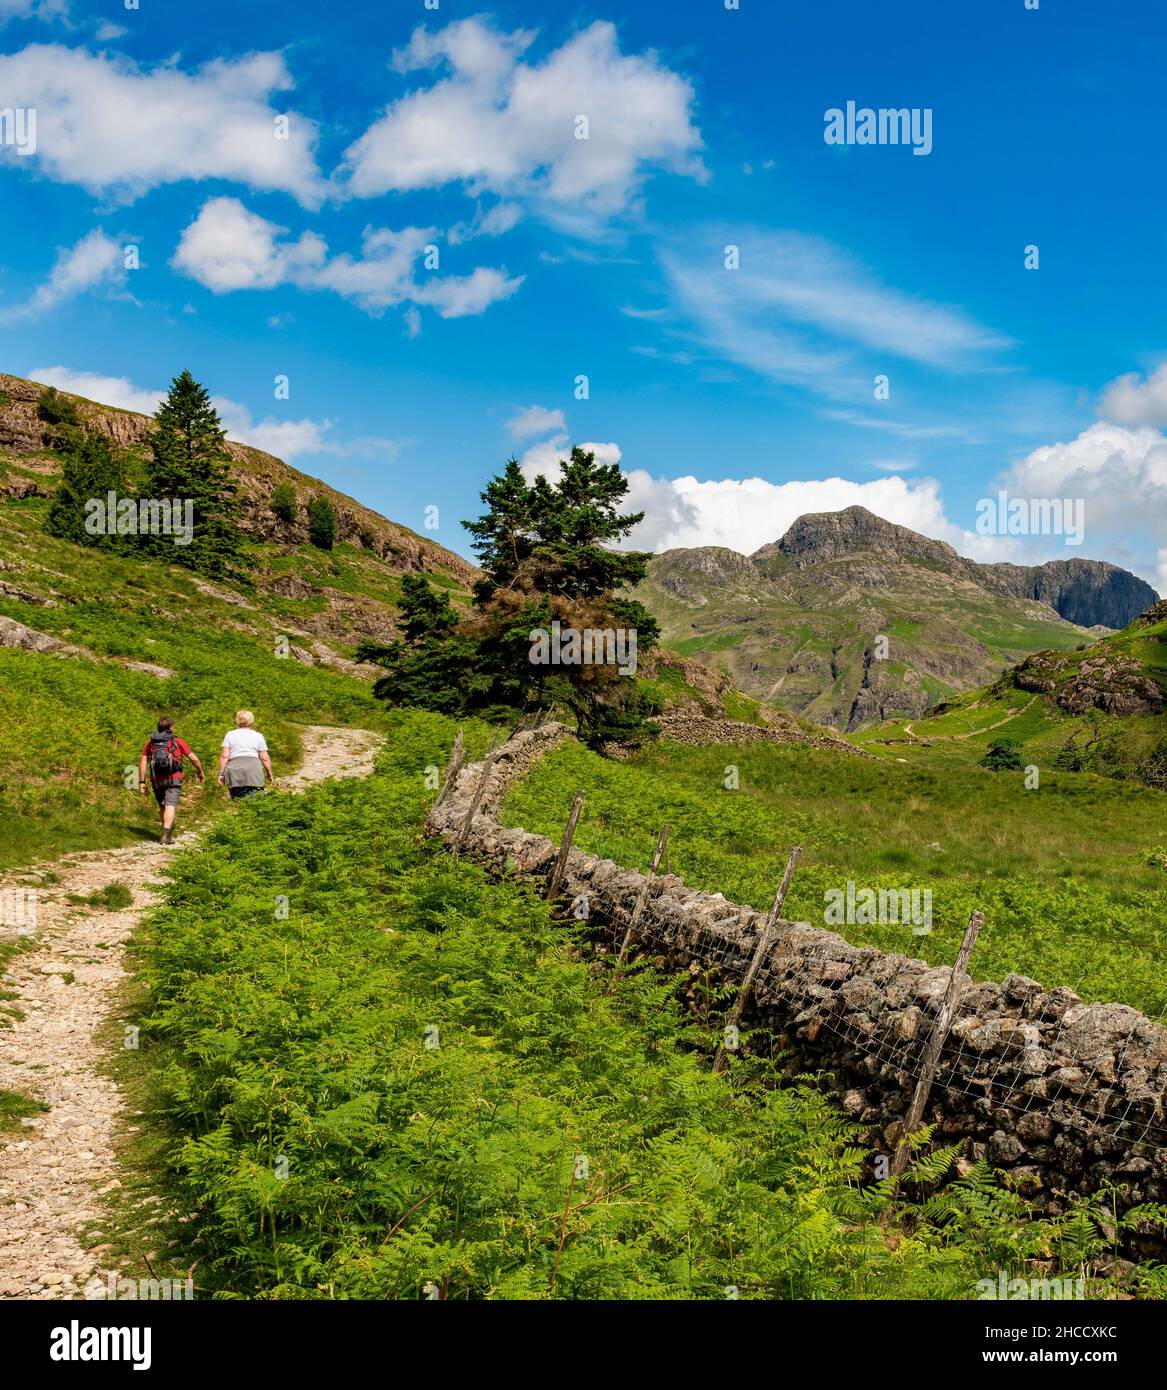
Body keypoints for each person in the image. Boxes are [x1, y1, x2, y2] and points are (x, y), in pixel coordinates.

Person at [139, 716, 204, 845]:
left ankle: (165, 833)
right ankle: (166, 834)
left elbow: (143, 760)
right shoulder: (177, 741)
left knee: (163, 805)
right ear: (171, 728)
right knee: (170, 805)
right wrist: (200, 771)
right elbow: (193, 758)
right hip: (174, 778)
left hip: (156, 779)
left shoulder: (151, 742)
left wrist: (142, 782)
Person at [218, 710, 274, 799]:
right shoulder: (258, 736)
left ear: (237, 721)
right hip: (254, 771)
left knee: (238, 801)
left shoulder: (230, 735)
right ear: (251, 721)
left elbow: (224, 756)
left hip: (234, 772)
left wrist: (221, 773)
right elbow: (265, 758)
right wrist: (269, 774)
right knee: (256, 801)